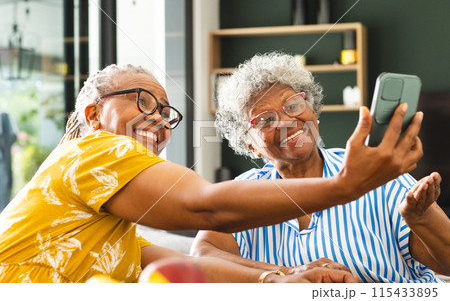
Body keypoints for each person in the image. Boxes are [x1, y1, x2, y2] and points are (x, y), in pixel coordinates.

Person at [0, 63, 423, 283]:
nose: (161, 120)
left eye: (167, 113)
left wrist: (282, 277)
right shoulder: (93, 150)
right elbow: (205, 209)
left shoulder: (113, 230)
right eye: (145, 102)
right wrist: (346, 185)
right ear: (93, 114)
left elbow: (194, 267)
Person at [192, 52, 450, 283]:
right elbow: (202, 255)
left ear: (313, 110)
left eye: (292, 105)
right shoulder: (243, 191)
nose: (286, 122)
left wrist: (420, 217)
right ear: (251, 145)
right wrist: (285, 274)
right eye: (265, 119)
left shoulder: (377, 174)